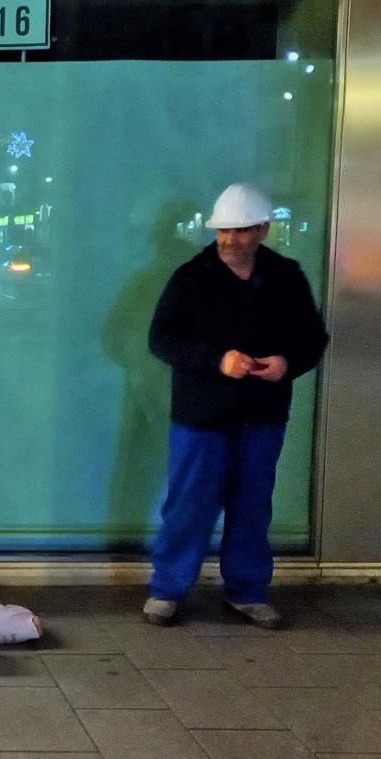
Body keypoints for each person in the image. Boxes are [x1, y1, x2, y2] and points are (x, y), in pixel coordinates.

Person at [143, 183, 328, 629]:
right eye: (223, 230)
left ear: (263, 230)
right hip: (201, 417)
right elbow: (161, 338)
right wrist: (216, 360)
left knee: (251, 505)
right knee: (189, 504)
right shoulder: (191, 277)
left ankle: (247, 590)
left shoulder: (287, 276)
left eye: (240, 231)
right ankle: (167, 588)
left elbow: (313, 338)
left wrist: (287, 363)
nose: (229, 240)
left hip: (261, 416)